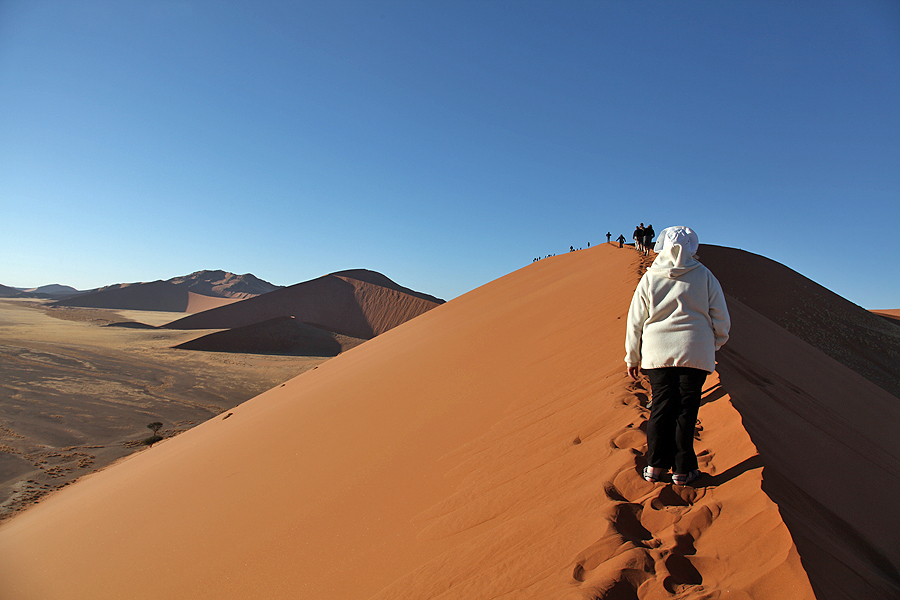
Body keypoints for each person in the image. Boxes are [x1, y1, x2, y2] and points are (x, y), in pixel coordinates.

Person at [624, 226, 730, 486]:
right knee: (686, 410)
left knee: (661, 407)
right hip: (695, 352)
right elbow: (721, 318)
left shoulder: (650, 278)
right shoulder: (704, 276)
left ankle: (655, 467)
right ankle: (683, 470)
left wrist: (632, 357)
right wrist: (713, 343)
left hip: (656, 353)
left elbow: (635, 321)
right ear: (692, 246)